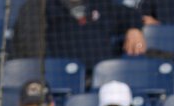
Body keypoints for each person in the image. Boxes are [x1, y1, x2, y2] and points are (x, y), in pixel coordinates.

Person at [11, 0, 146, 70]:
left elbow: (130, 13)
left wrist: (134, 29)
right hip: (59, 78)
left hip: (99, 77)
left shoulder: (101, 4)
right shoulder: (41, 6)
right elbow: (26, 44)